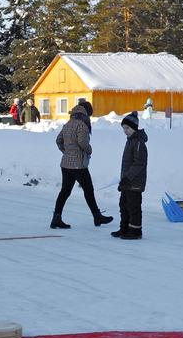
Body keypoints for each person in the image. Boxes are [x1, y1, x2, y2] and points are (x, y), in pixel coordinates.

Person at [51, 102, 113, 229]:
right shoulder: (81, 125)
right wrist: (88, 150)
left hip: (65, 164)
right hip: (78, 165)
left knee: (65, 191)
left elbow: (58, 140)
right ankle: (97, 216)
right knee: (88, 190)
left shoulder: (68, 124)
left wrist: (66, 151)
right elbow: (83, 142)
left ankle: (56, 217)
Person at [112, 111, 147, 240]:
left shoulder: (138, 142)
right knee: (124, 205)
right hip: (127, 182)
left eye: (127, 128)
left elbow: (139, 163)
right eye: (123, 128)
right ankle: (124, 228)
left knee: (133, 207)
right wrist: (123, 179)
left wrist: (128, 177)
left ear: (134, 127)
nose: (125, 131)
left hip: (135, 183)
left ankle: (135, 231)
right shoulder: (131, 141)